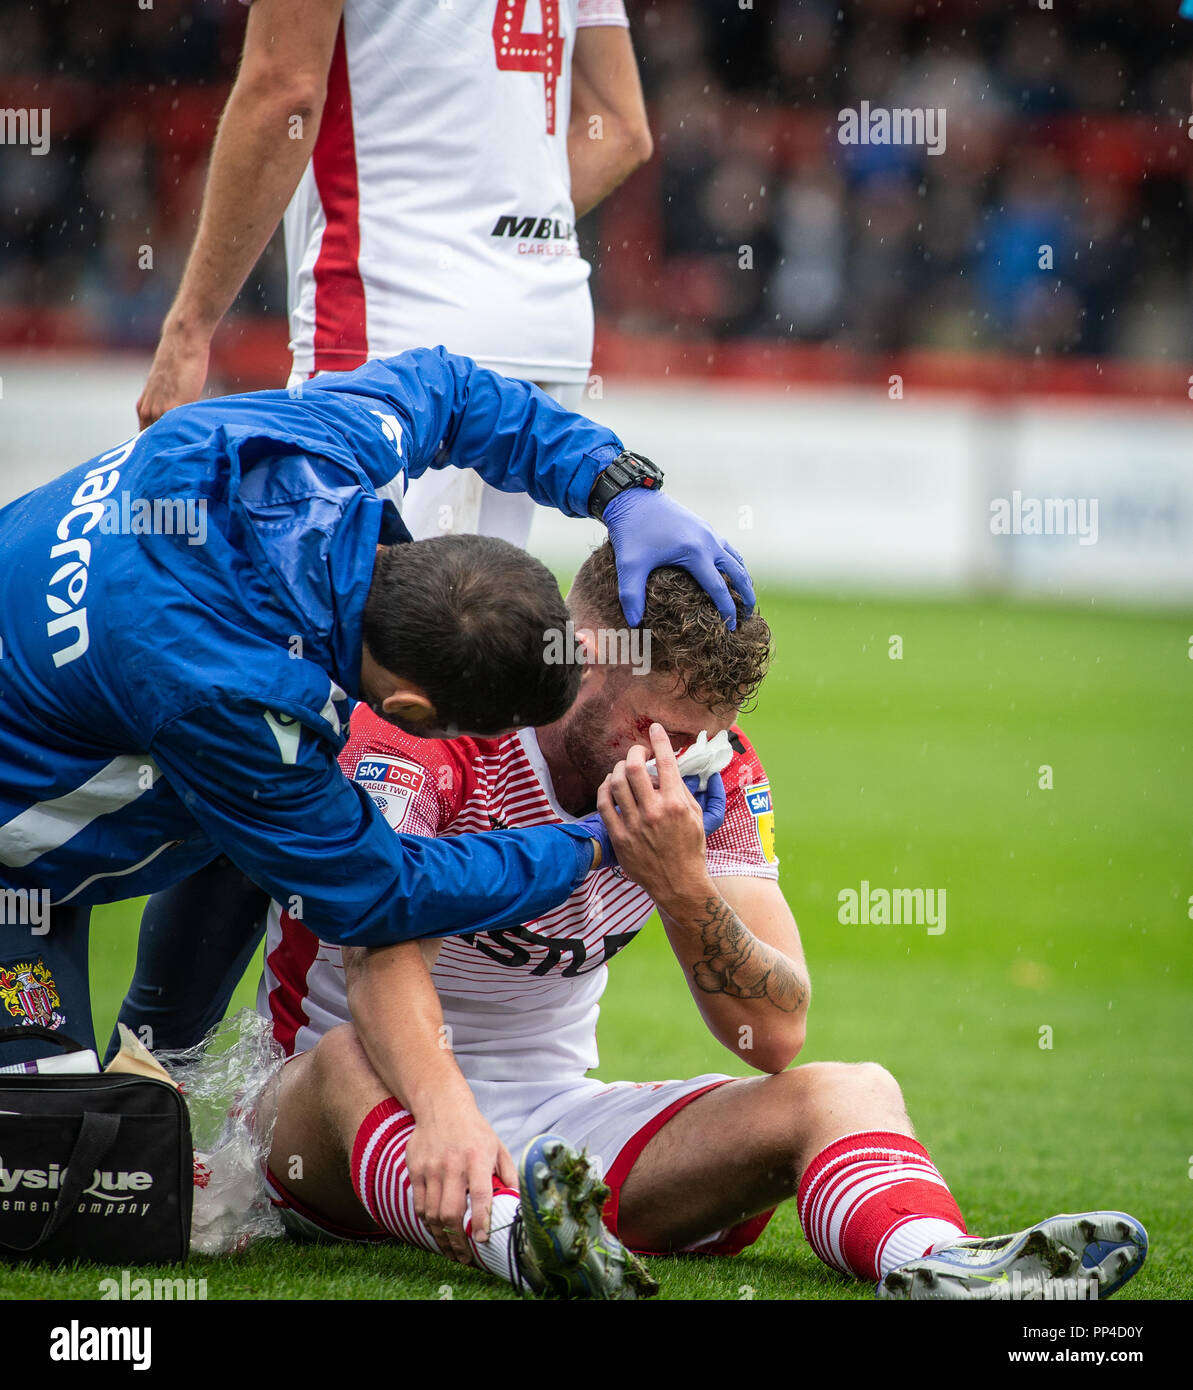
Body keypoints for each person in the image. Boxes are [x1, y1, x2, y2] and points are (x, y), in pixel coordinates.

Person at [260, 543, 1148, 1299]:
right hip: (339, 1113)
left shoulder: (708, 766)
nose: (678, 757)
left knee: (849, 1088)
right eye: (659, 724)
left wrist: (682, 887)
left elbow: (773, 1036)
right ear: (583, 655)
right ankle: (523, 1244)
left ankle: (941, 1267)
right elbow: (377, 946)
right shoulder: (446, 720)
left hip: (549, 1129)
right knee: (343, 1062)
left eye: (702, 734)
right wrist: (446, 1109)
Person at [0, 349, 753, 1065]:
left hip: (59, 692)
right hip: (15, 868)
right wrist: (591, 844)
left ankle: (160, 1070)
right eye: (490, 731)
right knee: (48, 1157)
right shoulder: (239, 699)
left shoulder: (314, 451)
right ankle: (133, 1080)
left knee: (262, 827)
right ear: (410, 708)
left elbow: (451, 389)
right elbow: (378, 888)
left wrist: (616, 485)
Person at [136, 0, 651, 550]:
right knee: (481, 624)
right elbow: (621, 130)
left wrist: (188, 327)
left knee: (352, 623)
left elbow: (284, 90)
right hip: (545, 310)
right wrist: (494, 235)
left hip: (389, 323)